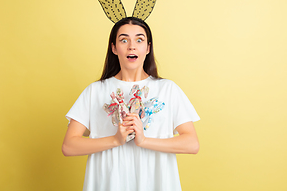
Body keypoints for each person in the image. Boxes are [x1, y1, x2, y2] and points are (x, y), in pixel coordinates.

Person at [62, 17, 200, 191]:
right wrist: (115, 140)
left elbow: (192, 144)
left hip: (155, 183)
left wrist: (143, 140)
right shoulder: (95, 91)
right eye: (124, 40)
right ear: (114, 47)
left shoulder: (167, 89)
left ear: (148, 48)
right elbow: (69, 146)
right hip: (109, 182)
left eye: (139, 40)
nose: (132, 46)